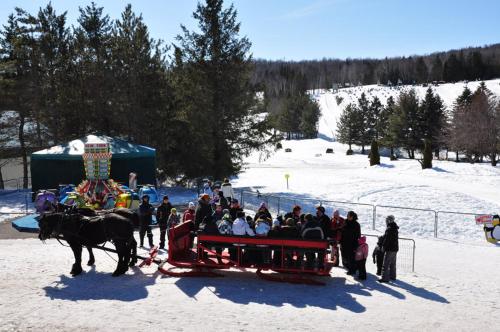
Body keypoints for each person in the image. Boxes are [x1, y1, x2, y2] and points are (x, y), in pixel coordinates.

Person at [378, 215, 399, 283]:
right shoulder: (394, 227)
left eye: (387, 220)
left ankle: (385, 278)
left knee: (386, 264)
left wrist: (383, 246)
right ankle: (392, 276)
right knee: (393, 263)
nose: (386, 221)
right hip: (395, 248)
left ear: (389, 220)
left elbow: (387, 239)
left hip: (390, 248)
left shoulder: (390, 228)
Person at [340, 211, 361, 275]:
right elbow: (341, 229)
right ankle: (350, 267)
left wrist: (348, 232)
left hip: (352, 243)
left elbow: (358, 235)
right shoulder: (345, 221)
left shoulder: (356, 224)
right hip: (344, 242)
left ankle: (352, 270)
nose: (347, 217)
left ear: (352, 217)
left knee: (351, 257)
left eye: (349, 216)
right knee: (345, 256)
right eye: (347, 215)